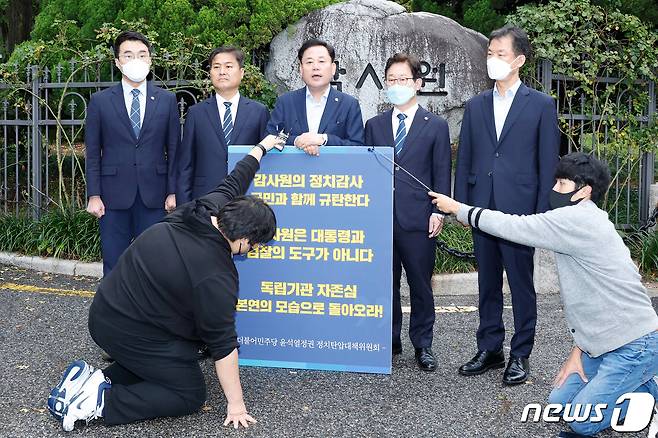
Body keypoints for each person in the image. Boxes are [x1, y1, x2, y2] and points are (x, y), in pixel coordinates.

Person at [47, 135, 283, 432]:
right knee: (188, 393)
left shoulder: (206, 208)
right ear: (245, 239)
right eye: (256, 245)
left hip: (107, 311)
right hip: (128, 330)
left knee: (180, 356)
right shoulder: (216, 275)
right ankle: (99, 403)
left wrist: (261, 148)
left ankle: (93, 382)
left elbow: (236, 178)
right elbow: (223, 345)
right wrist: (236, 405)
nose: (254, 250)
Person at [430, 152, 658, 436]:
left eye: (561, 185)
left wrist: (459, 209)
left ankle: (648, 392)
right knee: (558, 404)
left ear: (584, 191)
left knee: (581, 421)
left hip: (635, 344)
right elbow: (599, 297)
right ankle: (641, 382)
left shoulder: (578, 220)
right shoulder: (587, 219)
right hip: (603, 344)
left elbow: (516, 226)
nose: (553, 191)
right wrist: (580, 349)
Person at [453, 25, 560, 385]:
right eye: (490, 53)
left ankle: (521, 353)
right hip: (482, 206)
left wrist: (542, 212)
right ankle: (490, 347)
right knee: (487, 283)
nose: (493, 60)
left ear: (519, 60)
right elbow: (465, 157)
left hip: (520, 211)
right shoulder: (476, 104)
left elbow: (548, 163)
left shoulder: (542, 105)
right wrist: (461, 207)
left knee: (520, 283)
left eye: (500, 54)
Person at [364, 53, 451, 371]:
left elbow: (442, 172)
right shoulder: (374, 125)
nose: (397, 85)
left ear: (418, 83)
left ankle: (423, 345)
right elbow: (367, 173)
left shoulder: (436, 126)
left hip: (419, 219)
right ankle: (389, 339)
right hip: (382, 221)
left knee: (420, 284)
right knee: (385, 284)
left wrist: (438, 211)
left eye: (403, 79)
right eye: (391, 80)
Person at [85, 31, 180, 276]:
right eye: (128, 55)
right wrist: (93, 194)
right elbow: (93, 153)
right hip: (112, 196)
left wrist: (173, 191)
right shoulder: (100, 101)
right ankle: (113, 313)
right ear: (117, 62)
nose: (135, 60)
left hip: (155, 196)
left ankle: (151, 313)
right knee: (114, 264)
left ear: (150, 60)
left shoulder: (167, 100)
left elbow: (174, 150)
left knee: (155, 263)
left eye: (141, 54)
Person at [177, 46, 270, 204]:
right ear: (210, 73)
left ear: (241, 72)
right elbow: (186, 164)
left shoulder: (259, 111)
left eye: (228, 66)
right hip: (204, 198)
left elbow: (266, 159)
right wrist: (183, 208)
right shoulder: (196, 113)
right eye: (216, 67)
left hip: (246, 197)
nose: (222, 72)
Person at [266, 38, 364, 155]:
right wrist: (297, 141)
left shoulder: (349, 104)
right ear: (301, 69)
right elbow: (270, 137)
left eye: (321, 61)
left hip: (335, 172)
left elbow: (358, 146)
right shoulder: (286, 102)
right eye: (309, 62)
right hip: (293, 172)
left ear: (333, 68)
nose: (315, 67)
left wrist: (324, 139)